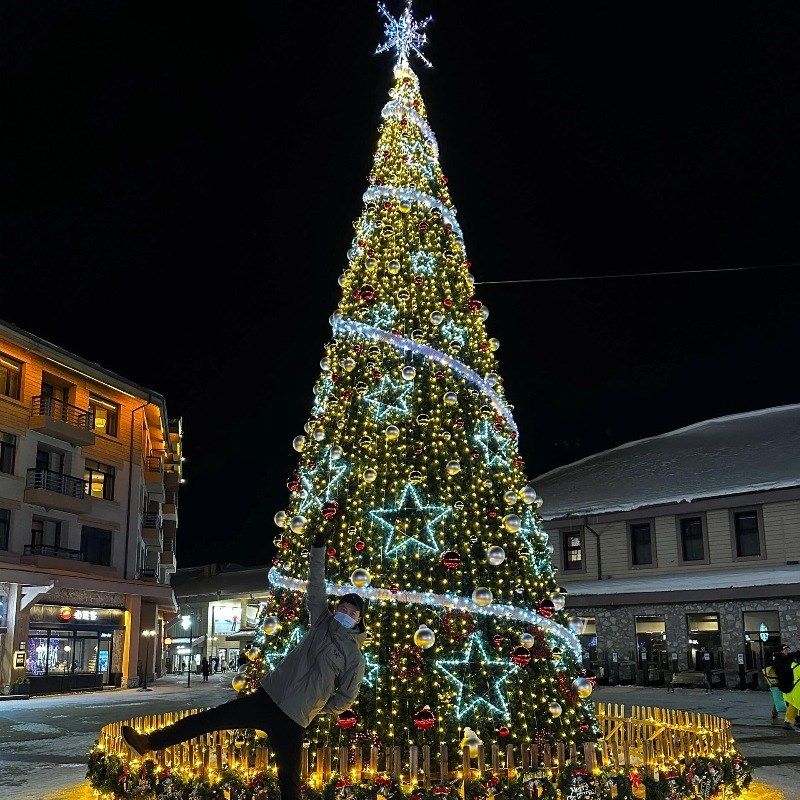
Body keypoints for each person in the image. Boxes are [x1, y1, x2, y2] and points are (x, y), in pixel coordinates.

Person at [122, 533, 367, 800]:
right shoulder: (321, 621)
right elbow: (316, 586)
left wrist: (318, 707)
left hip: (295, 718)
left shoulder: (354, 656)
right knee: (207, 720)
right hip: (267, 698)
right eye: (343, 608)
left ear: (358, 621)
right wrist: (318, 548)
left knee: (289, 782)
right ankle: (149, 742)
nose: (345, 614)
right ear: (336, 609)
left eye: (352, 613)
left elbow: (347, 695)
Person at [771, 645, 800, 731]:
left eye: (788, 648)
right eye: (785, 649)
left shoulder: (786, 659)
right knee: (794, 703)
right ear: (781, 651)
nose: (788, 650)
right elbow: (787, 672)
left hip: (788, 686)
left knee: (792, 704)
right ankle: (795, 720)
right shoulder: (782, 660)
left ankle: (788, 722)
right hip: (791, 686)